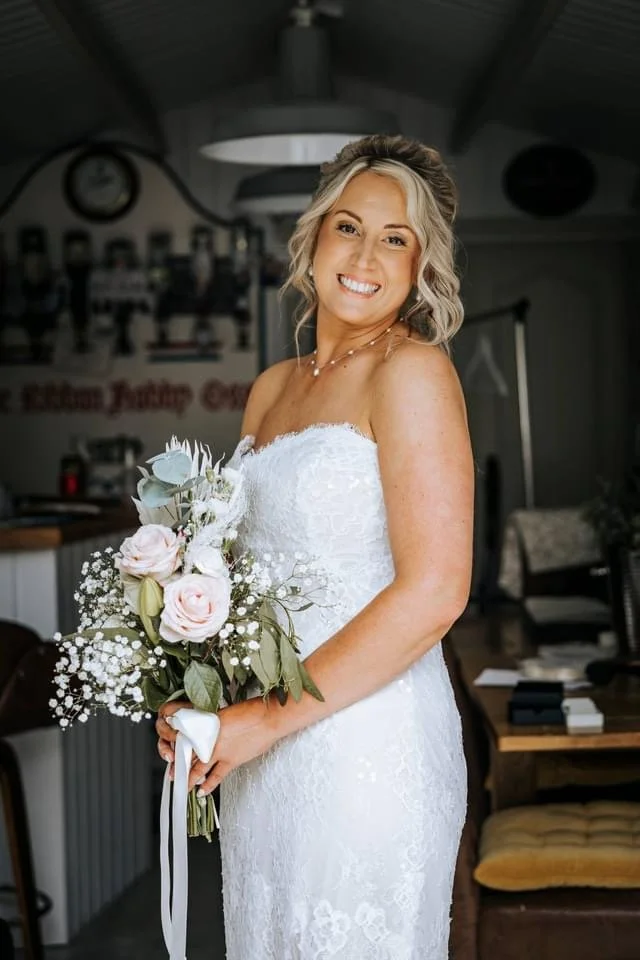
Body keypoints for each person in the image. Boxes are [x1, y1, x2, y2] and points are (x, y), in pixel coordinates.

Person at [156, 134, 474, 959]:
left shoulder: (413, 372)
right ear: (313, 239)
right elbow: (241, 577)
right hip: (266, 752)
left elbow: (436, 590)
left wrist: (262, 720)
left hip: (368, 742)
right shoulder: (271, 389)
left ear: (421, 267)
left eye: (395, 238)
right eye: (348, 226)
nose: (366, 253)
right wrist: (206, 703)